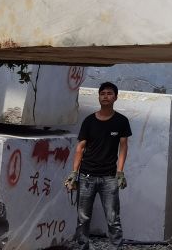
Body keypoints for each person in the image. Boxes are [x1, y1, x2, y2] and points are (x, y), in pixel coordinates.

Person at [65, 81, 132, 248]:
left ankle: (115, 247)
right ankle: (83, 246)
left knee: (113, 218)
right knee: (83, 218)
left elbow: (123, 147)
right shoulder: (89, 121)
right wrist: (74, 173)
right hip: (86, 176)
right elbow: (80, 147)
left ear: (115, 97)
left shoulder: (121, 121)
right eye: (102, 94)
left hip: (109, 178)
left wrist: (120, 172)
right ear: (99, 97)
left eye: (109, 93)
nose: (105, 96)